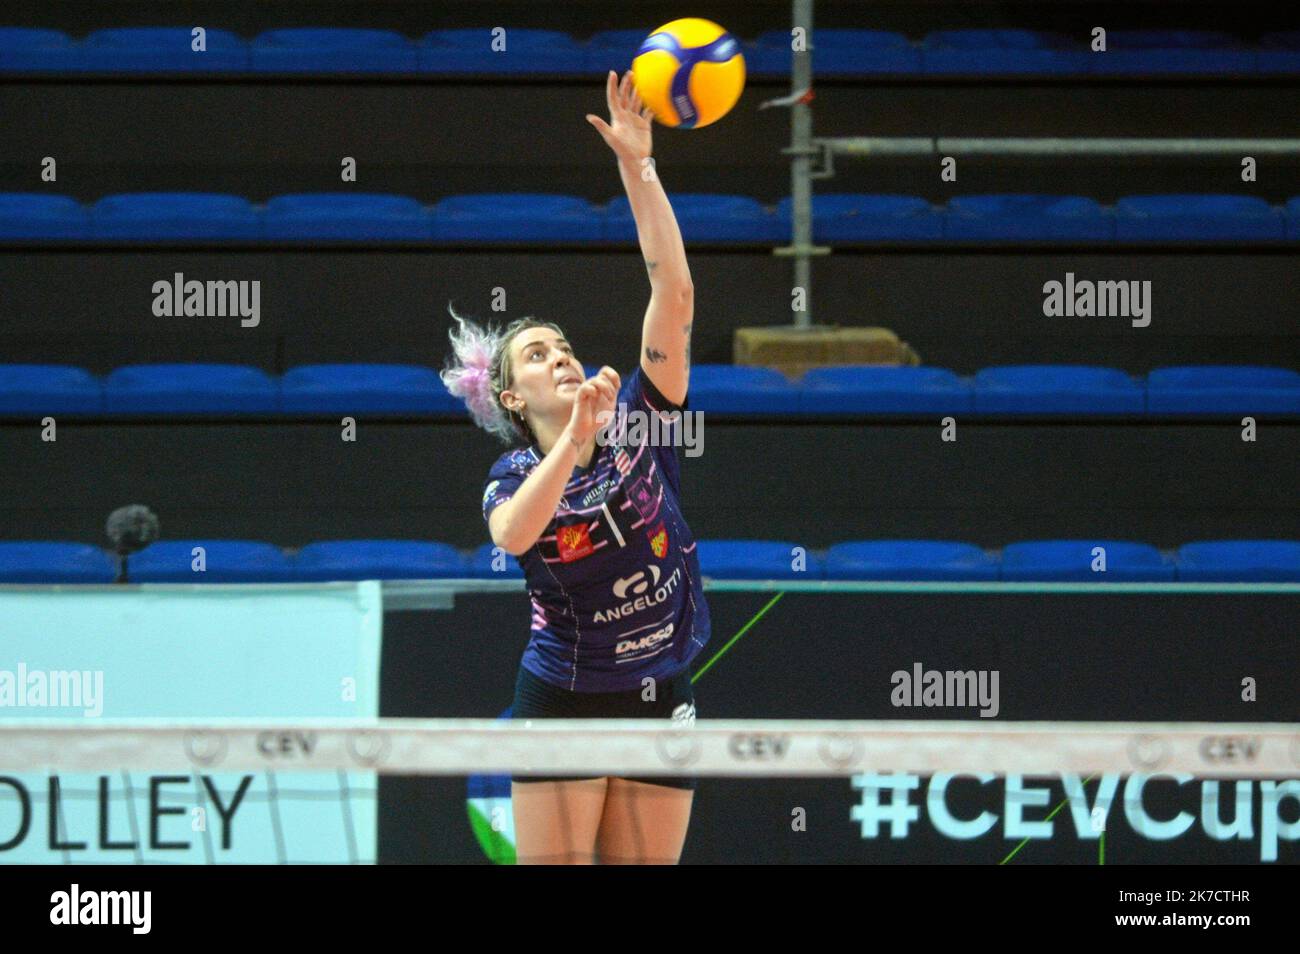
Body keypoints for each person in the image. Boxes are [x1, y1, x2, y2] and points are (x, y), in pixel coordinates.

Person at [441, 70, 709, 864]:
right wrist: (579, 437)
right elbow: (518, 532)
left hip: (662, 691)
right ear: (511, 395)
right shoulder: (510, 475)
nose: (558, 355)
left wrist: (639, 166)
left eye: (561, 344)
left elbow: (676, 290)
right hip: (564, 700)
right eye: (536, 353)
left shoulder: (642, 419)